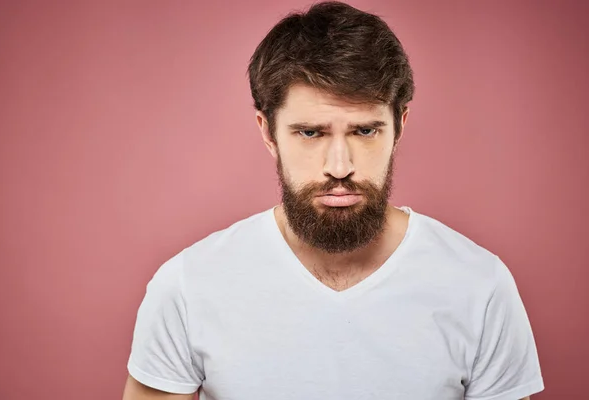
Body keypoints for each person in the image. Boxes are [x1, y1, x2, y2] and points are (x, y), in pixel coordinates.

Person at [122, 2, 544, 399]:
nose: (339, 167)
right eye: (310, 133)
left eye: (365, 131)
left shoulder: (479, 285)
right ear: (267, 132)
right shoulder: (187, 285)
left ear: (400, 126)